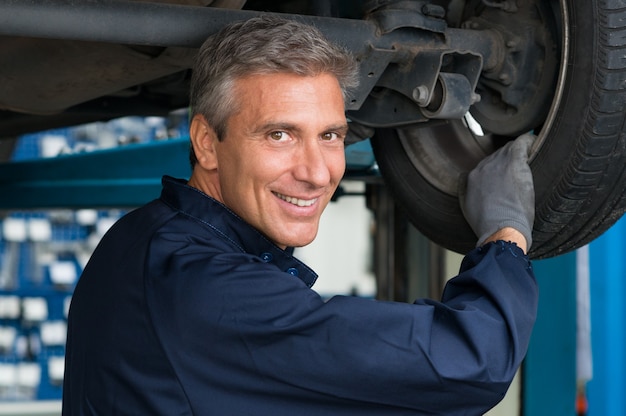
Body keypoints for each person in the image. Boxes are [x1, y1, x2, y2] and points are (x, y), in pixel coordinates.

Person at [62, 15, 538, 415]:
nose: (316, 173)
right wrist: (506, 233)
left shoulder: (142, 238)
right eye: (279, 135)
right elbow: (473, 361)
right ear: (207, 142)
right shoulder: (206, 290)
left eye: (329, 136)